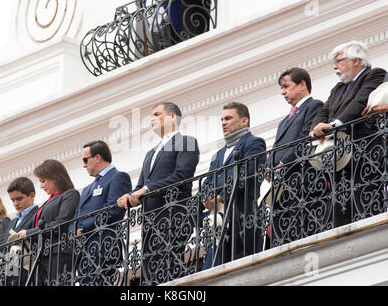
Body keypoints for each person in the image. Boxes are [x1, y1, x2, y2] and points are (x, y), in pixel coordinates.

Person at [117, 101, 200, 285]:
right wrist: (130, 196)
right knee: (152, 270)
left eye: (157, 114)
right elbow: (142, 184)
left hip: (173, 215)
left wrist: (146, 190)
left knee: (170, 266)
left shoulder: (186, 141)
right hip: (151, 219)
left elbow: (182, 175)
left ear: (172, 117)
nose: (152, 119)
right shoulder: (151, 153)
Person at [309, 41, 387, 227]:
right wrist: (315, 129)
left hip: (363, 151)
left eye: (339, 61)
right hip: (339, 154)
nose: (335, 67)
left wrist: (334, 125)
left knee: (364, 197)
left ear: (357, 60)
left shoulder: (373, 74)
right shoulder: (337, 88)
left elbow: (360, 103)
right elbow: (323, 111)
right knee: (340, 205)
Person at [201, 102, 266, 270]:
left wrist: (220, 196)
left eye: (228, 118)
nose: (223, 122)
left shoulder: (254, 143)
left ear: (244, 121)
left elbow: (246, 174)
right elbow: (208, 183)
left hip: (243, 220)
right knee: (211, 272)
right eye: (222, 119)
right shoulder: (218, 155)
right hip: (218, 223)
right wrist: (207, 199)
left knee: (240, 270)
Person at [268, 68, 324, 246]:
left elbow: (304, 138)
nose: (282, 92)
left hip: (301, 177)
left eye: (286, 86)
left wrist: (284, 163)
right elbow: (276, 147)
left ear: (302, 84)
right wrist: (269, 168)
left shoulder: (313, 106)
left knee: (300, 225)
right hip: (282, 183)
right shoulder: (283, 121)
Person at [72, 140, 132, 285]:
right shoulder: (87, 189)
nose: (84, 164)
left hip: (104, 245)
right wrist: (73, 231)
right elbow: (77, 215)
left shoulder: (118, 177)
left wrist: (82, 228)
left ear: (98, 157)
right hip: (85, 250)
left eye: (85, 160)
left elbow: (113, 210)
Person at [18, 159, 80, 285]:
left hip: (57, 252)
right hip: (42, 255)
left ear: (55, 178)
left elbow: (61, 223)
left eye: (43, 181)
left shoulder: (70, 194)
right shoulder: (47, 202)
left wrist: (29, 233)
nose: (41, 186)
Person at [3, 177, 39, 285]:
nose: (15, 203)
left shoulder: (38, 214)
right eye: (13, 200)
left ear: (32, 196)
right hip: (10, 274)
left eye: (19, 199)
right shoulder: (11, 222)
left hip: (28, 275)